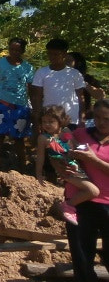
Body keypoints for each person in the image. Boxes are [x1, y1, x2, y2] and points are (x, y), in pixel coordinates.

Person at [34, 105, 99, 224]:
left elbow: (76, 145)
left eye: (51, 121)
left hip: (75, 165)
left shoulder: (66, 131)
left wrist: (87, 151)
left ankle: (73, 208)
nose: (47, 124)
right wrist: (38, 174)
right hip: (65, 169)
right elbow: (40, 157)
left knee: (92, 189)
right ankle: (67, 206)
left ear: (60, 121)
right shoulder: (43, 138)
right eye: (44, 121)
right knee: (93, 191)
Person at [68, 99, 109, 282]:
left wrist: (94, 160)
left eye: (107, 119)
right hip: (82, 202)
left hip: (108, 205)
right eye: (98, 117)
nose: (101, 122)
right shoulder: (80, 134)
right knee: (82, 259)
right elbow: (59, 152)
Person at [0, 37, 35, 169]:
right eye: (11, 49)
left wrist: (35, 108)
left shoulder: (28, 68)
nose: (14, 52)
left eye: (17, 50)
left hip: (20, 106)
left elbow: (31, 89)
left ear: (23, 51)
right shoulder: (0, 63)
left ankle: (22, 167)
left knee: (19, 137)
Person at [32, 38, 87, 129]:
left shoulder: (75, 74)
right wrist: (38, 117)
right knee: (49, 143)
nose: (52, 57)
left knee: (69, 142)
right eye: (49, 54)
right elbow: (37, 97)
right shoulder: (41, 72)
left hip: (71, 119)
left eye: (56, 54)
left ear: (64, 53)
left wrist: (82, 118)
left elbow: (81, 98)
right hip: (49, 120)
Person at [67, 52, 105, 122]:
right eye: (64, 61)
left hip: (84, 117)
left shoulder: (87, 78)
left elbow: (100, 95)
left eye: (69, 61)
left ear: (78, 63)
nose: (66, 63)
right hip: (63, 117)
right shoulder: (58, 78)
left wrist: (83, 83)